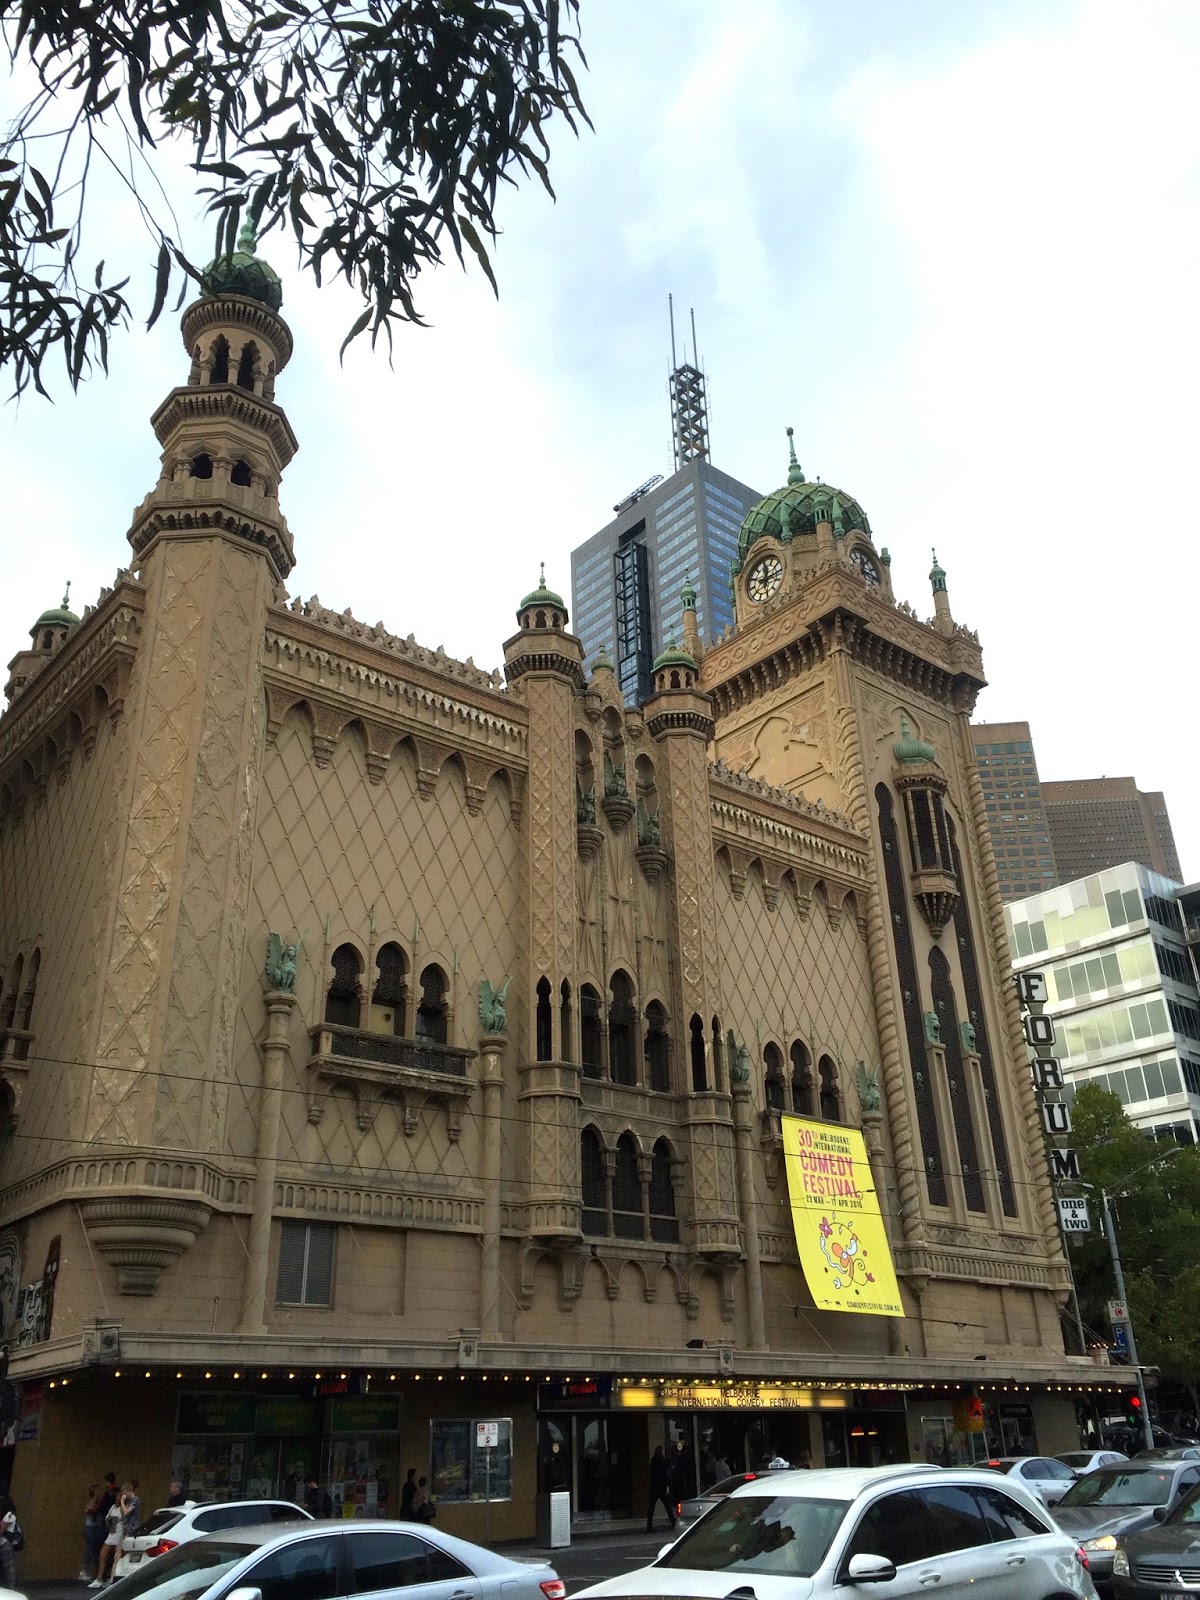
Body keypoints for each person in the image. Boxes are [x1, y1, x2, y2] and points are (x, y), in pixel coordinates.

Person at [646, 1446, 676, 1534]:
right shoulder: (663, 1462)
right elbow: (665, 1474)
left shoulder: (653, 1461)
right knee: (668, 1507)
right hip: (661, 1487)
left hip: (653, 1487)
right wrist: (668, 1485)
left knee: (651, 1508)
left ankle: (649, 1526)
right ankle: (674, 1523)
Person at [81, 1484, 105, 1582]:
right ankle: (83, 1571)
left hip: (96, 1528)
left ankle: (94, 1572)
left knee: (95, 1550)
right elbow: (87, 1510)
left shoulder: (99, 1501)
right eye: (98, 1491)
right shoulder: (93, 1501)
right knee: (90, 1549)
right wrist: (94, 1512)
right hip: (91, 1528)